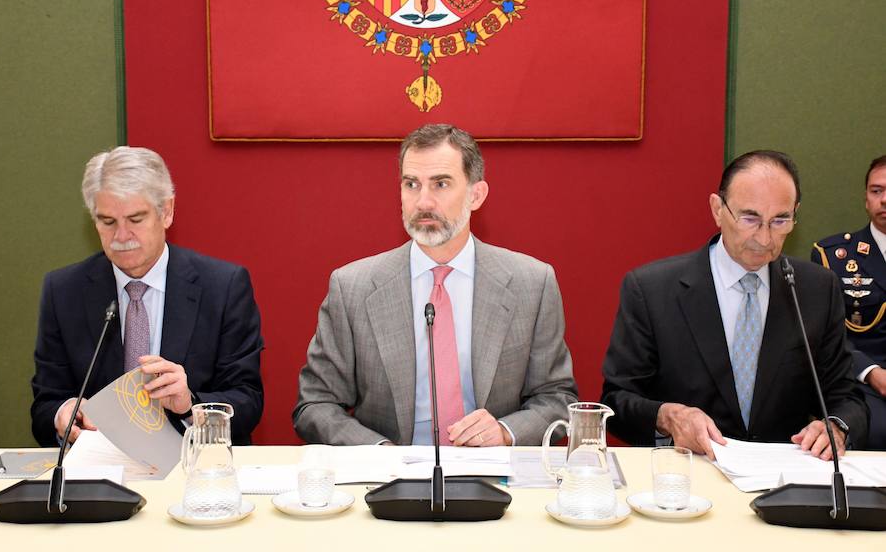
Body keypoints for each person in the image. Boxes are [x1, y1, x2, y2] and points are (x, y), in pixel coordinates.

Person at [294, 124, 578, 446]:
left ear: (476, 195)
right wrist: (378, 453)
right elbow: (315, 405)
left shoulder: (532, 283)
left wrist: (504, 432)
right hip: (388, 480)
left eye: (441, 184)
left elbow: (557, 398)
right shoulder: (353, 288)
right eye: (411, 184)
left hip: (493, 476)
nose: (423, 202)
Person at [601, 150, 868, 460]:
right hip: (688, 476)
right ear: (717, 209)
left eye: (780, 220)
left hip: (784, 478)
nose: (765, 238)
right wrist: (667, 417)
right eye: (750, 218)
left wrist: (836, 427)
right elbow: (616, 401)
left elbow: (847, 397)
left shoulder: (816, 288)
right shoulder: (652, 289)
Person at [31, 146, 264, 446]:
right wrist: (64, 414)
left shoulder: (223, 287)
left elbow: (248, 402)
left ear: (166, 212)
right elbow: (44, 405)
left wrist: (190, 404)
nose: (122, 236)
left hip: (193, 467)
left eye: (136, 219)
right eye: (108, 222)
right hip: (101, 472)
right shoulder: (63, 291)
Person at [811, 155, 886, 450]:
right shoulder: (836, 256)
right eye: (876, 191)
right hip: (863, 380)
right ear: (865, 199)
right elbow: (825, 335)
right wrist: (873, 374)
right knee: (877, 432)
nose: (883, 200)